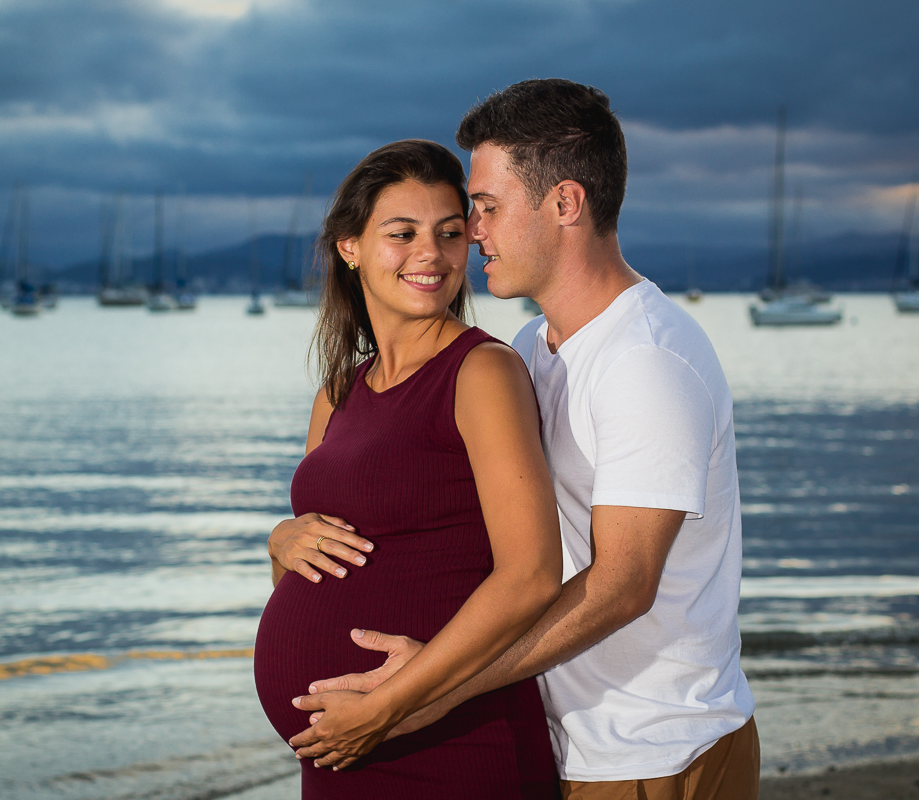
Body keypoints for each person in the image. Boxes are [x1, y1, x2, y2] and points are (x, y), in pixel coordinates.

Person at [286, 80, 761, 799]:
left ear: (565, 203)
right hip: (570, 742)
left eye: (486, 206)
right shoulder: (536, 346)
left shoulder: (646, 360)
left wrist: (428, 693)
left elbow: (623, 586)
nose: (472, 231)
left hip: (653, 749)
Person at [253, 139, 564, 799]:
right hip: (341, 755)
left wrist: (388, 707)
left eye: (450, 233)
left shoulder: (482, 372)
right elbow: (311, 574)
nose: (432, 253)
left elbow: (532, 576)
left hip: (449, 741)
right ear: (350, 247)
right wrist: (280, 542)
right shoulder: (338, 392)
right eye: (403, 234)